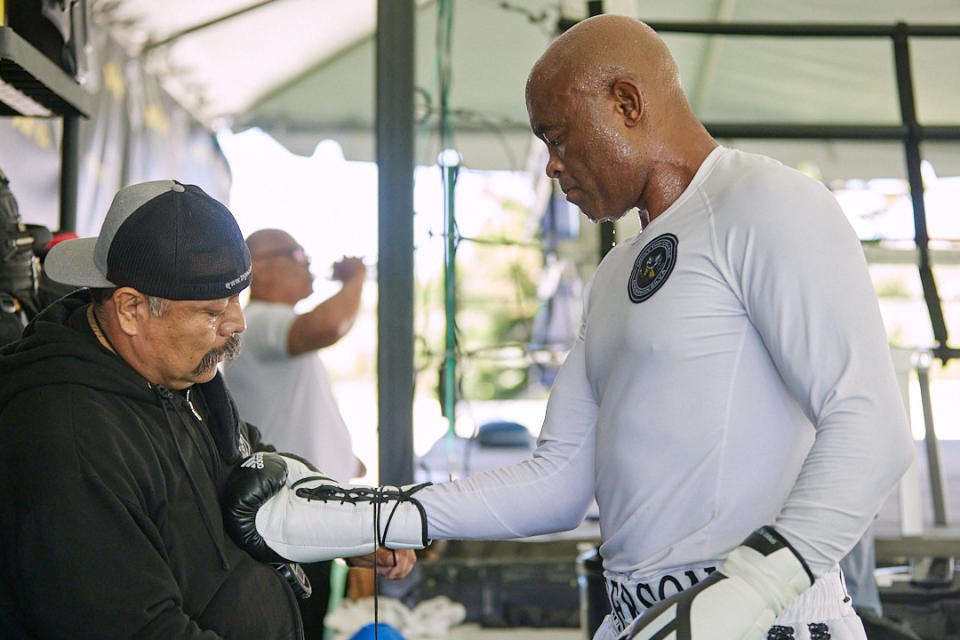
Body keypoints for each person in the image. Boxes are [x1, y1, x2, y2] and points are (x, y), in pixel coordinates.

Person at [212, 15, 912, 639]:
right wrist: (359, 515)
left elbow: (871, 422)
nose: (550, 165)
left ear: (627, 103)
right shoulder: (614, 275)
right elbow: (555, 482)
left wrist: (758, 586)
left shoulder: (763, 201)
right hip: (640, 618)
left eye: (558, 136)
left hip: (769, 618)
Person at [0, 180, 422, 640]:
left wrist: (342, 526)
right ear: (131, 309)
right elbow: (137, 628)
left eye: (238, 299)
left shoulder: (181, 374)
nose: (237, 322)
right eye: (213, 310)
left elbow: (250, 460)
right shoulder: (69, 439)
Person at [223, 229, 368, 639]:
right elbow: (330, 324)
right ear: (261, 269)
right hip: (292, 508)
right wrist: (356, 277)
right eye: (297, 254)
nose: (307, 264)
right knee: (302, 622)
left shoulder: (271, 328)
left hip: (303, 503)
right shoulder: (265, 319)